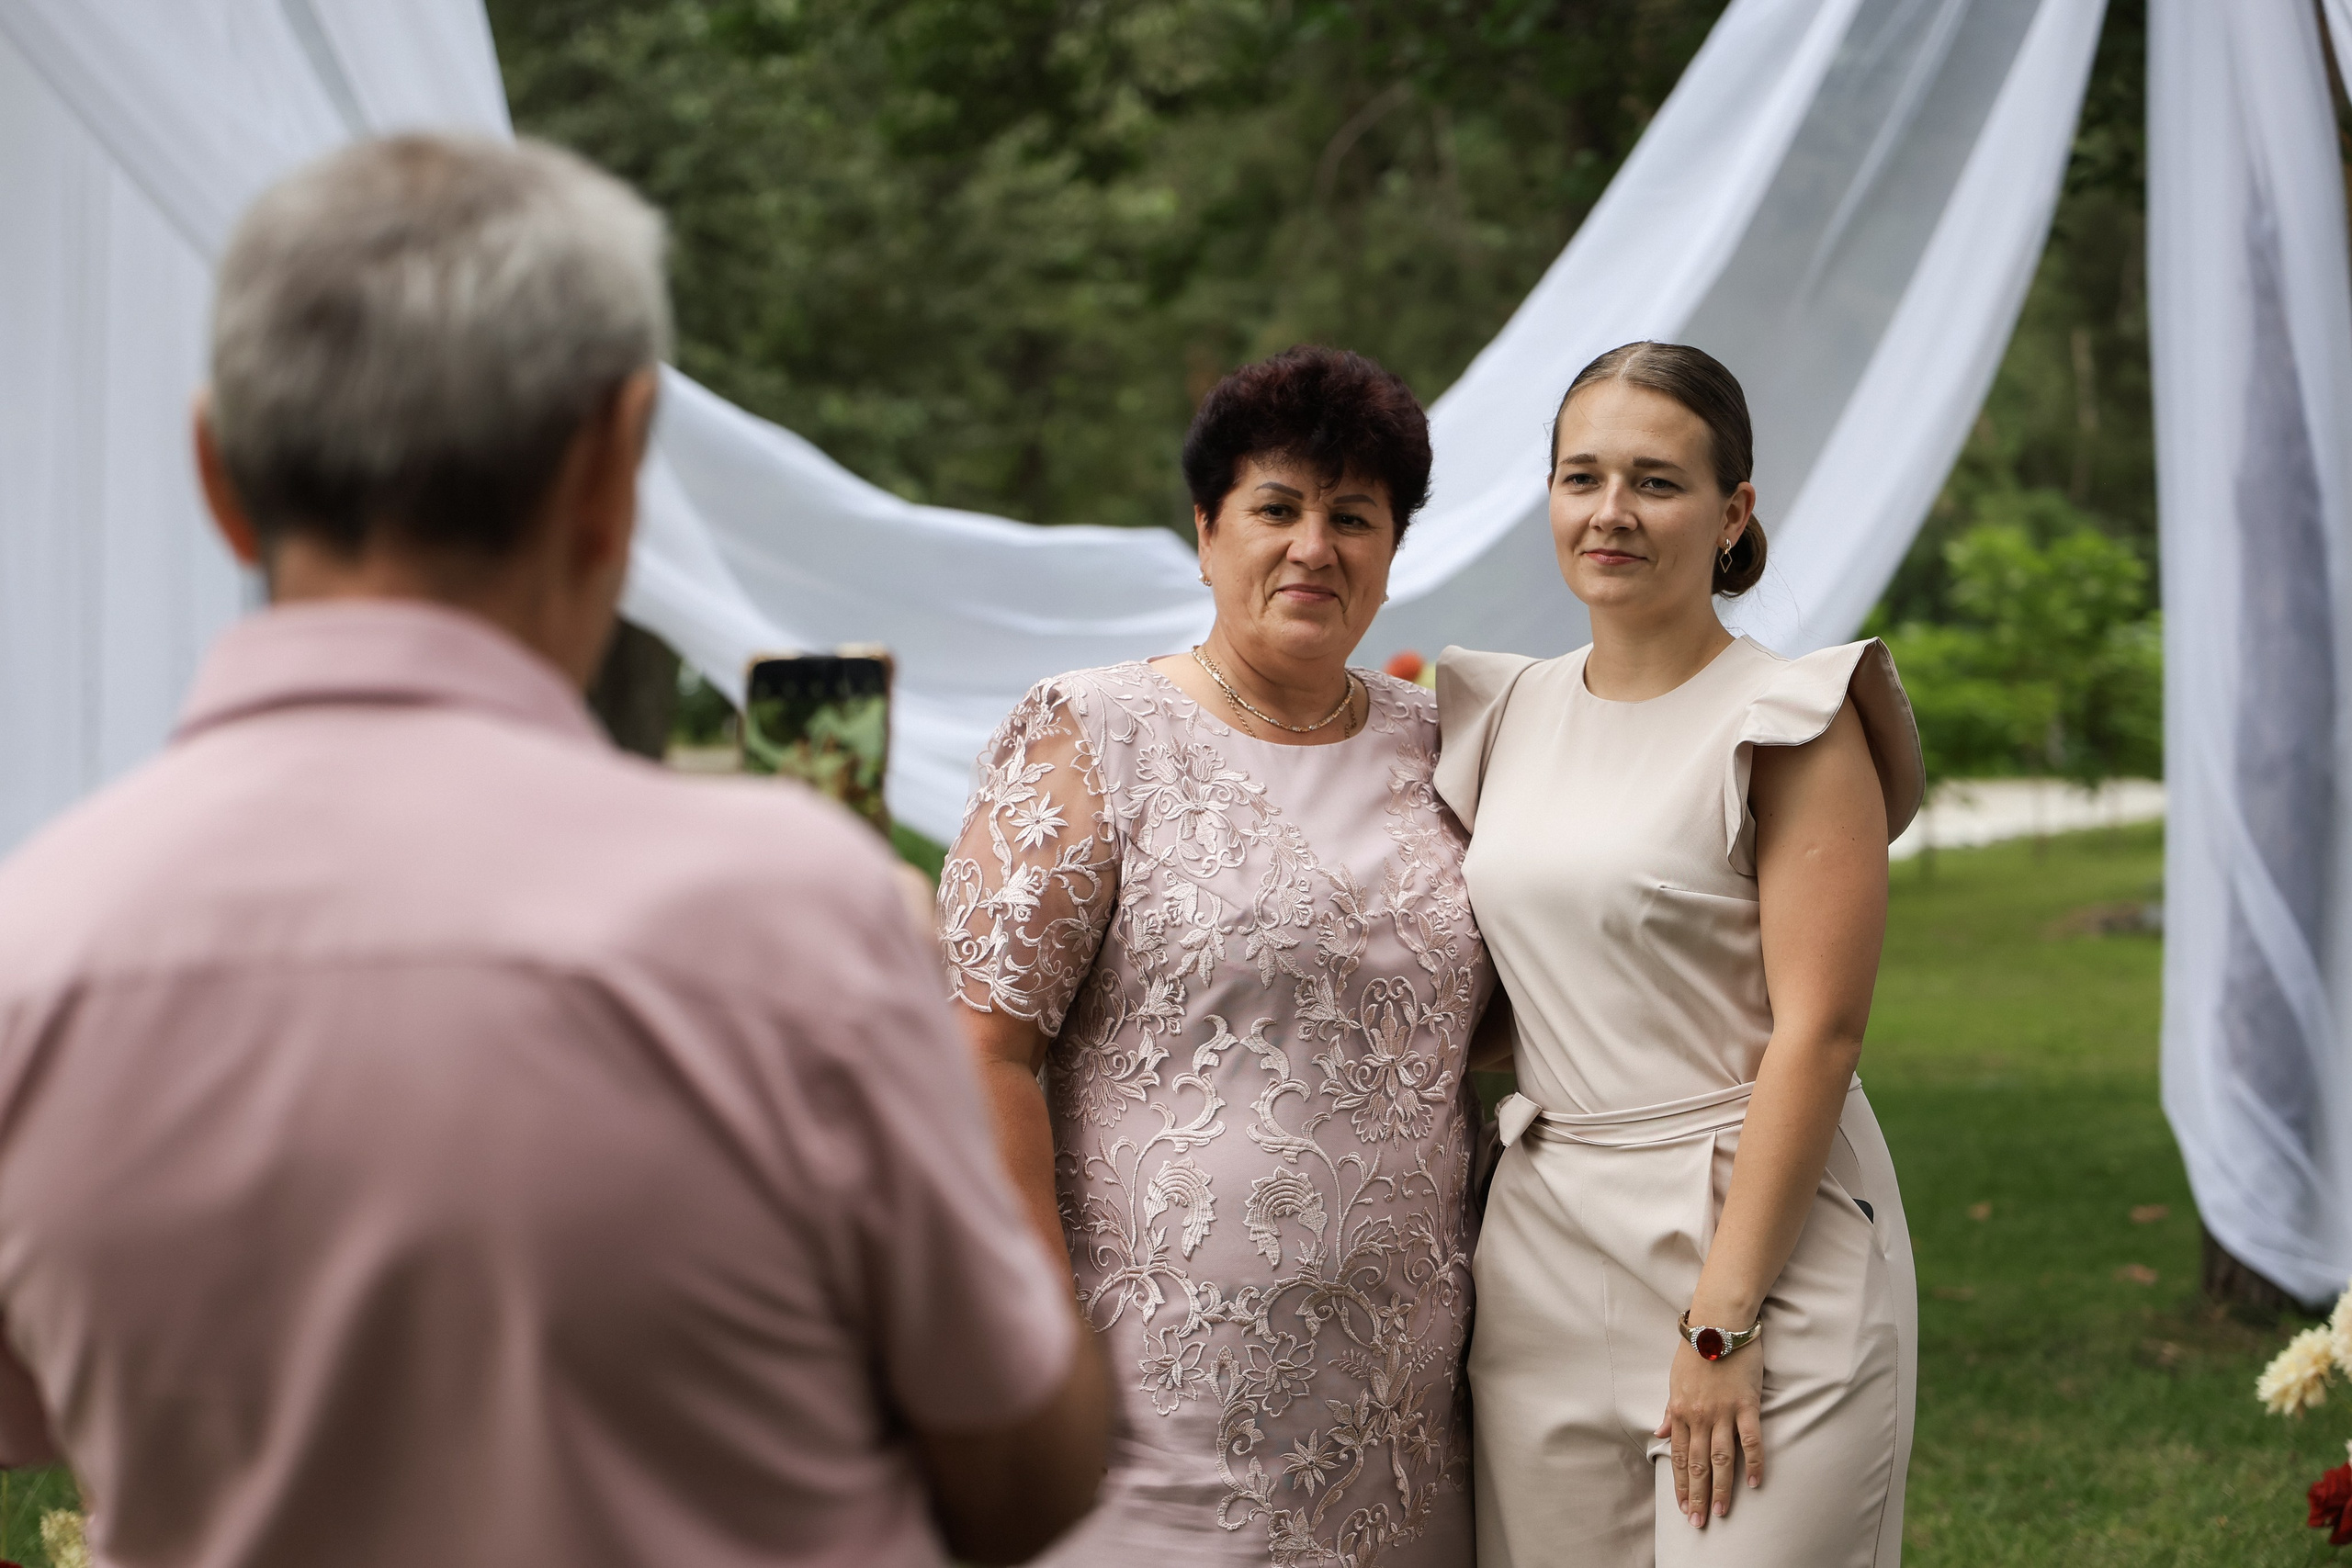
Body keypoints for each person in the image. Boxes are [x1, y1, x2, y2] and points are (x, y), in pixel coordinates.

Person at [0, 133, 1108, 1568]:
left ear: (218, 474)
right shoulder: (797, 923)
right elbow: (1026, 1481)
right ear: (609, 470)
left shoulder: (33, 953)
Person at [939, 345, 1494, 1565]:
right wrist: (1038, 1337)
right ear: (1205, 533)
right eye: (1277, 508)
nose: (1315, 546)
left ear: (1394, 552)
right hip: (1162, 1404)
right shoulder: (1092, 733)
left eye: (1354, 516)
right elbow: (981, 1051)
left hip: (1406, 1405)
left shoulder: (1448, 749)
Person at [1439, 341, 1924, 1567]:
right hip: (1544, 1244)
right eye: (1580, 476)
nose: (1611, 512)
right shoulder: (1501, 715)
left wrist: (1723, 1325)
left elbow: (1821, 1032)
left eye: (1656, 481)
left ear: (1732, 512)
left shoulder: (1797, 722)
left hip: (1760, 1240)